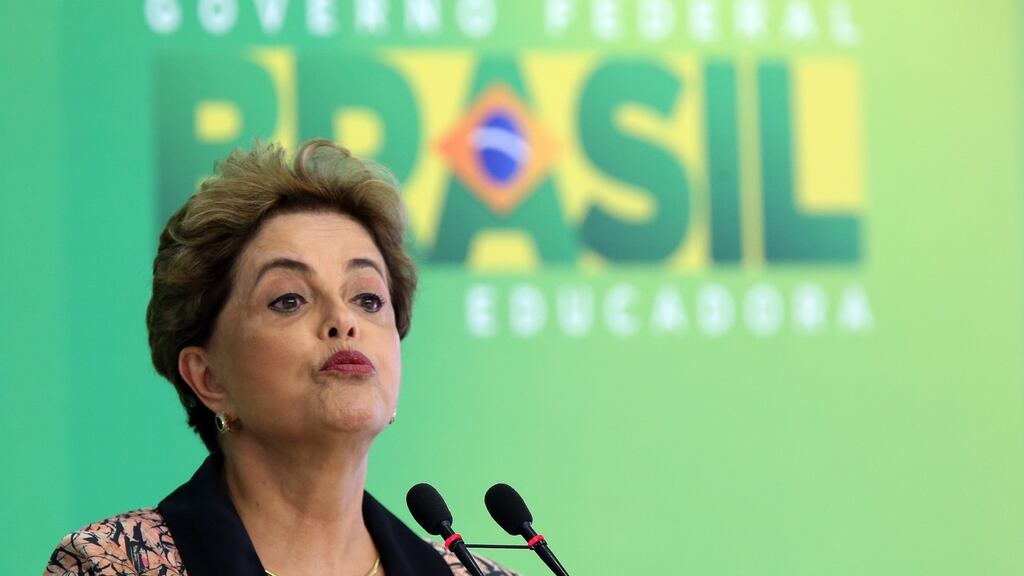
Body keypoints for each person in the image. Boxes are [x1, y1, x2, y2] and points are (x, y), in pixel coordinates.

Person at [44, 140, 517, 576]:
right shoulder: (113, 564)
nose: (343, 320)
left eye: (368, 298)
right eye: (289, 299)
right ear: (208, 378)